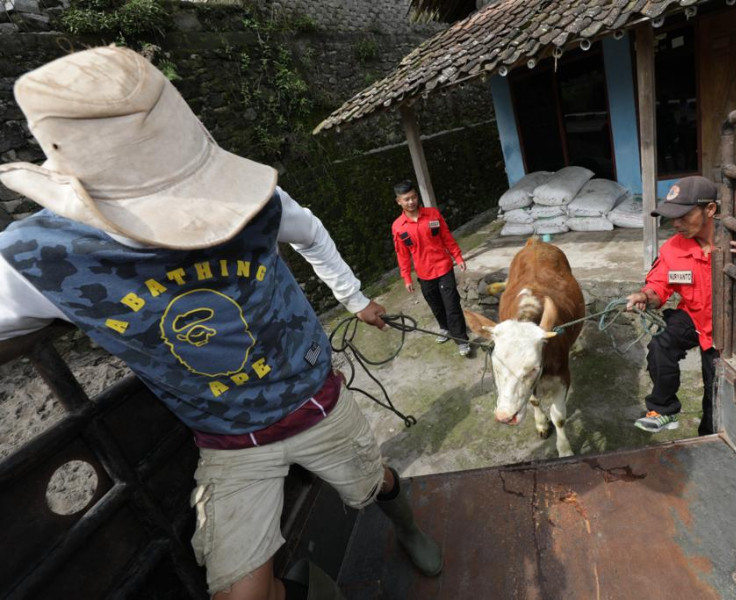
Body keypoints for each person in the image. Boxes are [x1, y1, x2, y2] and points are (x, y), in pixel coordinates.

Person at [0, 46, 442, 600]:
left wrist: (353, 299)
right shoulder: (40, 259)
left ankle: (407, 525)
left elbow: (310, 233)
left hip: (313, 401)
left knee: (373, 481)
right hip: (229, 439)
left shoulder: (255, 198)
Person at [626, 176, 736, 436]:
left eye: (683, 215)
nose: (676, 223)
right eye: (672, 216)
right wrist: (645, 296)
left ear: (710, 210)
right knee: (660, 345)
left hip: (731, 327)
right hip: (694, 317)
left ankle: (710, 437)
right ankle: (664, 410)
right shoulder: (673, 249)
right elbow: (659, 286)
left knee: (714, 388)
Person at [391, 180, 471, 356]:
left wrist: (457, 256)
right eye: (406, 199)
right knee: (435, 304)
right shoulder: (398, 227)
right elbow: (402, 255)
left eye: (413, 197)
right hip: (424, 273)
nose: (411, 202)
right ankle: (445, 328)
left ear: (417, 197)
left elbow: (446, 237)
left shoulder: (433, 215)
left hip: (443, 267)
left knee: (452, 305)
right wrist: (406, 277)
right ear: (399, 202)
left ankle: (462, 340)